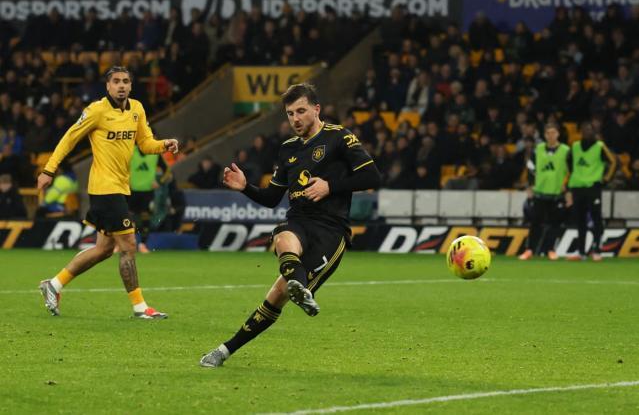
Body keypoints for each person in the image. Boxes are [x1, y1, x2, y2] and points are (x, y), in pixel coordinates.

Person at [200, 83, 381, 368]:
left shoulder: (340, 137)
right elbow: (272, 198)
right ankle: (296, 289)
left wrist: (330, 186)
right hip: (299, 221)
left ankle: (294, 288)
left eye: (301, 111)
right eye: (290, 113)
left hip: (331, 230)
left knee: (275, 297)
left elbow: (373, 177)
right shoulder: (288, 150)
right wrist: (246, 187)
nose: (295, 119)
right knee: (283, 236)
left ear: (316, 109)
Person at [36, 66, 179, 319]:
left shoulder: (137, 109)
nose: (121, 85)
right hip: (104, 188)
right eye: (116, 81)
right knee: (129, 245)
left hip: (121, 187)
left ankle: (54, 284)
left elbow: (145, 144)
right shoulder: (96, 111)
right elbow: (70, 138)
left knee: (103, 249)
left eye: (125, 81)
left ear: (131, 86)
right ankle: (140, 307)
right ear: (108, 86)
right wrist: (49, 170)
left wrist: (163, 145)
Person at [519, 123, 570, 260]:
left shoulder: (566, 150)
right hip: (540, 192)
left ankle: (550, 250)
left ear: (558, 134)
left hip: (557, 192)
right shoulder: (538, 149)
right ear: (545, 135)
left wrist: (567, 188)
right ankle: (529, 250)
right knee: (535, 223)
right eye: (548, 133)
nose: (551, 135)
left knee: (555, 223)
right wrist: (530, 186)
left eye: (553, 132)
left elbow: (571, 170)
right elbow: (530, 167)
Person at [565, 122, 616, 261]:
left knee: (596, 218)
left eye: (590, 129)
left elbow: (613, 162)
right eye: (584, 129)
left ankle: (597, 250)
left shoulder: (600, 146)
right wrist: (572, 177)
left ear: (594, 132)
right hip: (577, 187)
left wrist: (605, 180)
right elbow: (567, 161)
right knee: (580, 220)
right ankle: (581, 251)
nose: (587, 132)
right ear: (580, 131)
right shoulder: (575, 146)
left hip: (593, 187)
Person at [129, 146, 169, 253]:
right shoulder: (130, 151)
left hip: (148, 192)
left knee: (145, 219)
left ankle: (143, 244)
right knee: (128, 218)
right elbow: (120, 167)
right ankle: (125, 244)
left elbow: (167, 171)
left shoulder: (155, 153)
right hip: (131, 191)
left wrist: (159, 182)